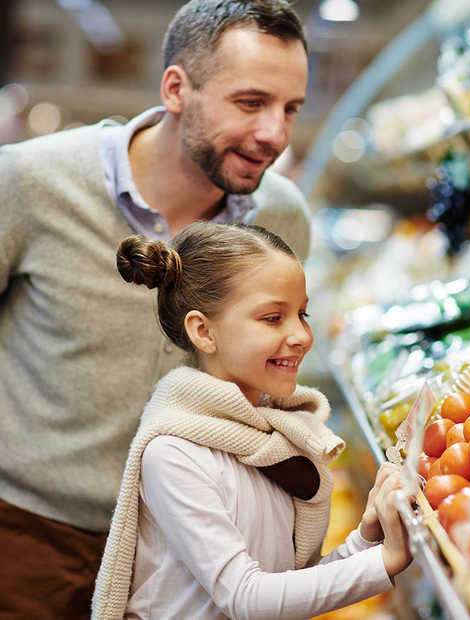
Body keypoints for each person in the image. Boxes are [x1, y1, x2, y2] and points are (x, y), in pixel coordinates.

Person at [0, 1, 313, 617]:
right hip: (29, 538)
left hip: (187, 548)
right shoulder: (30, 183)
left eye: (290, 109)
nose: (275, 134)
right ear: (176, 88)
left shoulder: (283, 219)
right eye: (250, 103)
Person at [92, 222, 412, 619]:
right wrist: (384, 561)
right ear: (204, 331)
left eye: (302, 314)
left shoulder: (268, 438)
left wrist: (368, 538)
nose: (301, 335)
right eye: (273, 318)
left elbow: (290, 587)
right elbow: (247, 598)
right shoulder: (173, 454)